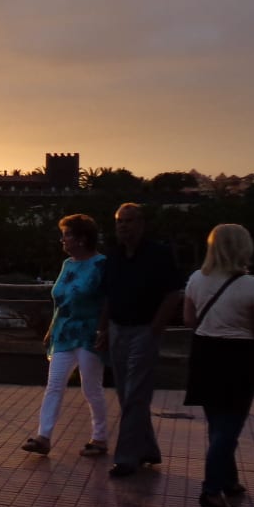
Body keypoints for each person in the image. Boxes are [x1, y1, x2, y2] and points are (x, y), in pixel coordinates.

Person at [183, 224, 254, 507]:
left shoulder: (196, 279)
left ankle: (229, 479)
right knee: (229, 426)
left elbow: (189, 319)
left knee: (217, 423)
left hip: (205, 353)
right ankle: (211, 488)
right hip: (239, 358)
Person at [99, 203, 185, 478]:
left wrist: (156, 327)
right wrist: (103, 329)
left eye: (128, 221)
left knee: (136, 392)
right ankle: (148, 449)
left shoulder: (159, 255)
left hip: (144, 330)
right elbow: (108, 295)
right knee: (127, 394)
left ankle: (126, 458)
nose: (123, 226)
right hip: (117, 329)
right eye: (119, 221)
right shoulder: (113, 256)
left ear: (141, 223)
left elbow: (173, 293)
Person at [21, 214, 108, 458]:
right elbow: (62, 300)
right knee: (55, 384)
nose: (63, 240)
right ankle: (43, 437)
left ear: (82, 239)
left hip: (89, 333)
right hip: (64, 333)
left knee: (91, 388)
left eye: (67, 235)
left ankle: (100, 438)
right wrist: (52, 328)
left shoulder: (101, 264)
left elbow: (107, 300)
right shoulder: (68, 264)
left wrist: (104, 329)